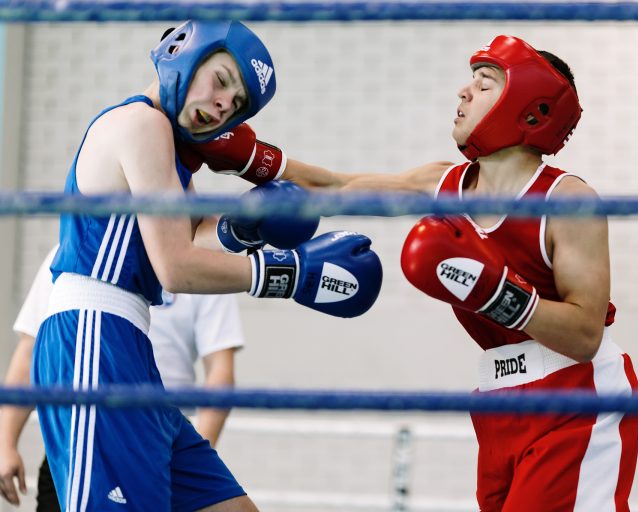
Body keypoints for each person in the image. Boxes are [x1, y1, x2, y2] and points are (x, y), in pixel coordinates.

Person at [258, 35, 638, 511]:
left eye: (484, 84)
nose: (463, 91)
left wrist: (496, 293)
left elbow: (585, 335)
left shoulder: (568, 202)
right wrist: (250, 157)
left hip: (575, 394)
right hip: (498, 397)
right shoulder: (444, 184)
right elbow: (337, 186)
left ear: (529, 107)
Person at [33, 20, 383, 511]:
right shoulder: (143, 125)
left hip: (127, 345)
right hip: (93, 338)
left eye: (236, 103)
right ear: (183, 53)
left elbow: (190, 232)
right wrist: (289, 274)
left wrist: (244, 225)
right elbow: (175, 267)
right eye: (221, 81)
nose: (222, 105)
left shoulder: (169, 152)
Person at [0, 246, 245, 510]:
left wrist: (200, 451)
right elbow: (29, 351)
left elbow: (220, 369)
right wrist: (5, 442)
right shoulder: (76, 253)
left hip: (164, 424)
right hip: (86, 426)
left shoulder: (200, 259)